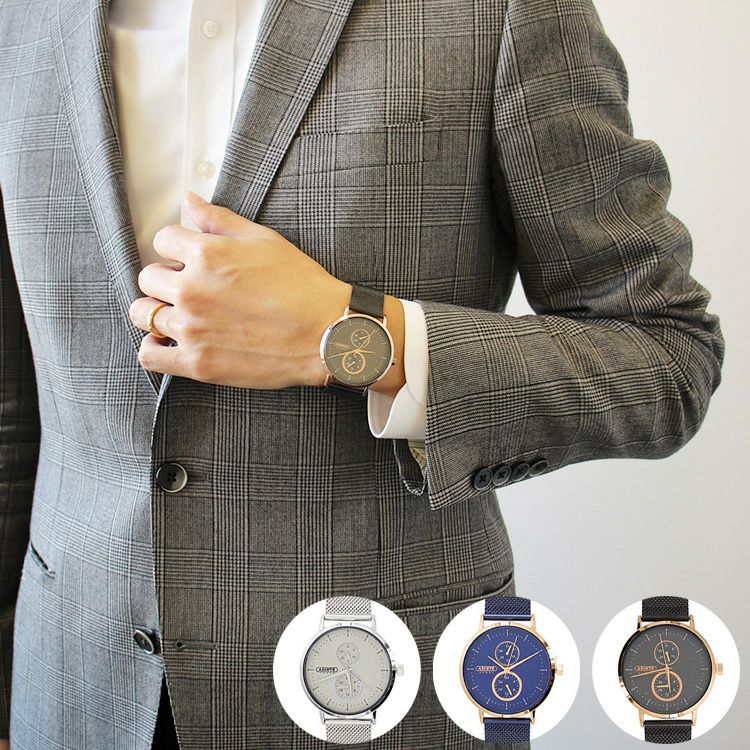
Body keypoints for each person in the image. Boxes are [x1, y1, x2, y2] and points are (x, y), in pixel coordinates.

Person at [0, 0, 723, 748]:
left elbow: (669, 355)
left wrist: (353, 336)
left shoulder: (501, 12)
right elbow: (14, 404)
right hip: (68, 686)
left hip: (388, 685)